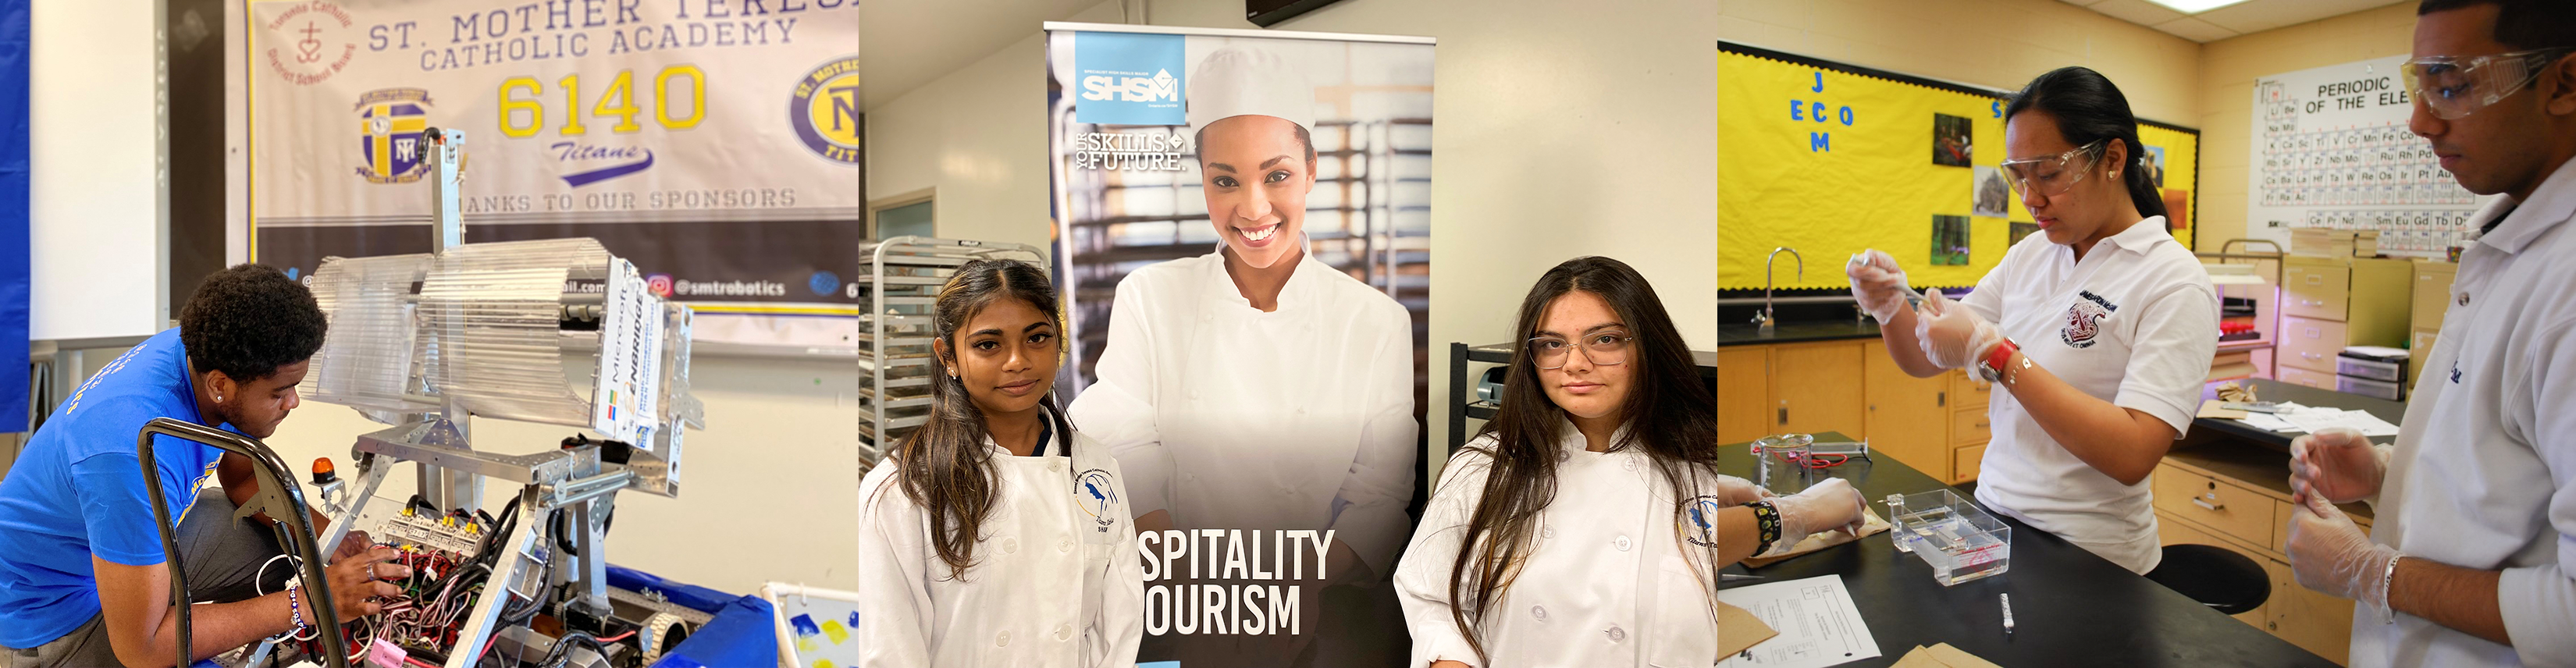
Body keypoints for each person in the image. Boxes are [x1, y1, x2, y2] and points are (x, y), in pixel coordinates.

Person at [1066, 42, 1416, 651]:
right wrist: (1185, 575)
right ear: (1201, 179)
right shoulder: (1149, 296)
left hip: (1302, 605)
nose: (1253, 208)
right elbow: (1121, 443)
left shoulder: (1375, 321)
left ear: (1311, 169)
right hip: (1165, 598)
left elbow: (1380, 495)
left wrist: (1287, 586)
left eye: (1277, 175)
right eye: (1225, 181)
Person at [1393, 257, 1864, 668]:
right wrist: (1796, 513)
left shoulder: (1694, 463)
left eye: (1605, 340)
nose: (1574, 363)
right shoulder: (1483, 468)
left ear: (1647, 347)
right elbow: (1429, 595)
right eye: (1552, 344)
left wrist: (1725, 491)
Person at [2286, 2, 2576, 664]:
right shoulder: (2512, 240)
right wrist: (2392, 476)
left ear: (2564, 83)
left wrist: (2373, 573)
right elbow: (2513, 480)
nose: (2421, 121)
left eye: (2454, 85)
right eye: (2421, 86)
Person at [1848, 66, 2218, 575]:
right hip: (1994, 526)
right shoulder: (2031, 254)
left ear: (2112, 159)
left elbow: (2134, 452)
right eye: (2018, 175)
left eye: (2047, 173)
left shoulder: (2173, 280)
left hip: (2094, 560)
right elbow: (1923, 359)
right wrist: (1889, 307)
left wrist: (1997, 356)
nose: (2029, 196)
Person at [0, 265, 407, 667]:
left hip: (105, 550)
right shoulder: (131, 456)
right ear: (220, 386)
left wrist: (329, 542)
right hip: (52, 618)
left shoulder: (209, 352)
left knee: (273, 541)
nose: (293, 403)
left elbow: (243, 481)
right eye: (280, 392)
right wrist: (312, 603)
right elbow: (142, 650)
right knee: (170, 640)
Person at [856, 259, 1144, 668]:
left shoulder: (1094, 465)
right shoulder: (904, 486)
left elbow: (1119, 621)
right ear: (949, 357)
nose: (1017, 361)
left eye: (1037, 338)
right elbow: (891, 648)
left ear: (1058, 340)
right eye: (988, 344)